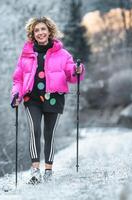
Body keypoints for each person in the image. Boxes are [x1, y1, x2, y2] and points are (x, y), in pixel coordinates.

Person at [10, 16, 85, 184]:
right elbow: (18, 80)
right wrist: (15, 95)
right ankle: (35, 171)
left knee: (49, 134)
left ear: (49, 31)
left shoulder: (63, 54)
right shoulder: (26, 55)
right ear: (32, 34)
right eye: (36, 30)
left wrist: (77, 70)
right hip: (32, 99)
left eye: (43, 29)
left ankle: (48, 171)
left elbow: (71, 76)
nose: (40, 32)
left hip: (54, 98)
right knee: (34, 130)